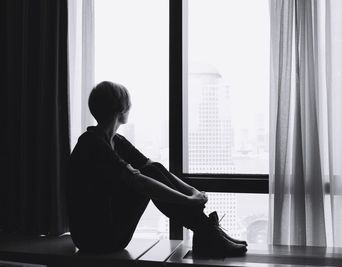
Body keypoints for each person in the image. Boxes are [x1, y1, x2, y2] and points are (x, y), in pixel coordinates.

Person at [67, 81, 247, 257]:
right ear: (121, 108)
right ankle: (209, 234)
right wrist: (187, 200)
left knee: (152, 168)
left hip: (109, 229)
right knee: (145, 176)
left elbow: (152, 166)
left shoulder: (116, 141)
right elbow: (138, 180)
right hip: (95, 238)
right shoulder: (93, 144)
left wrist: (193, 192)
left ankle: (209, 233)